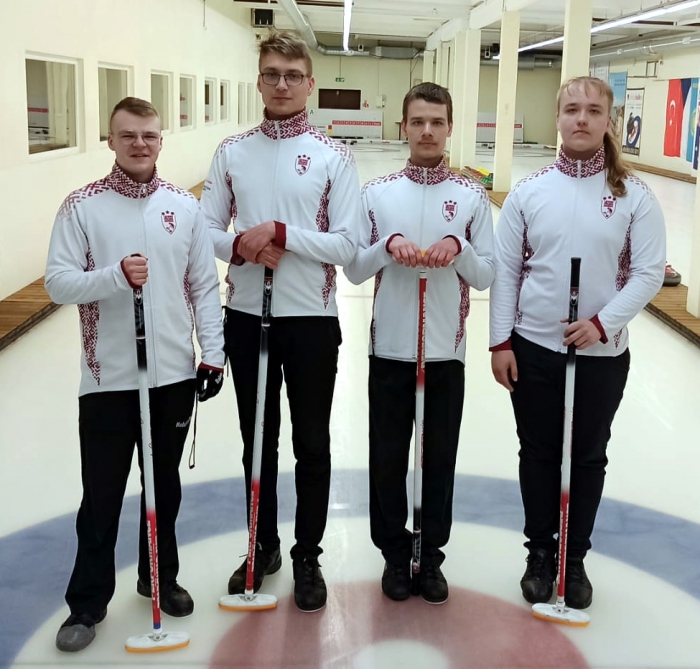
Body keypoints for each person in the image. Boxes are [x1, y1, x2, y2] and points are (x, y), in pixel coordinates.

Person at [46, 97, 225, 652]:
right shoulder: (82, 206)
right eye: (128, 135)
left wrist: (213, 352)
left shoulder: (184, 206)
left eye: (149, 135)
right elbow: (58, 282)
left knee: (163, 487)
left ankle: (159, 578)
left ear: (160, 140)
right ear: (111, 140)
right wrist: (114, 277)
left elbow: (204, 285)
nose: (139, 144)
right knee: (101, 494)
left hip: (171, 374)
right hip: (109, 379)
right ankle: (86, 602)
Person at [489, 76, 665, 610]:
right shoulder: (530, 191)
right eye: (571, 109)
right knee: (538, 453)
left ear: (609, 120)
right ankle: (540, 553)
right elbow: (507, 272)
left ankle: (575, 556)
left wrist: (602, 324)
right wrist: (501, 342)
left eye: (592, 110)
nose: (581, 119)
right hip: (534, 348)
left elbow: (648, 273)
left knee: (587, 457)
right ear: (558, 118)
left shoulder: (635, 196)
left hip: (600, 356)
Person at [199, 30, 360, 613]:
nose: (282, 84)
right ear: (260, 81)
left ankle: (307, 555)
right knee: (257, 442)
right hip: (246, 317)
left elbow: (348, 244)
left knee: (312, 443)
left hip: (311, 320)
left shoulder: (334, 156)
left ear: (309, 83)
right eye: (272, 74)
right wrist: (242, 246)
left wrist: (283, 234)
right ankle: (261, 545)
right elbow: (204, 230)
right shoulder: (232, 152)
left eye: (293, 75)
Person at [344, 83, 495, 604]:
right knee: (388, 458)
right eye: (417, 122)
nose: (427, 131)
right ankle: (393, 554)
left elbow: (486, 275)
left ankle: (430, 555)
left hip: (445, 353)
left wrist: (459, 246)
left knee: (437, 459)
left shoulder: (472, 196)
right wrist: (387, 245)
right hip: (389, 350)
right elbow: (354, 269)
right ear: (403, 127)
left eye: (436, 122)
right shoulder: (377, 193)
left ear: (450, 127)